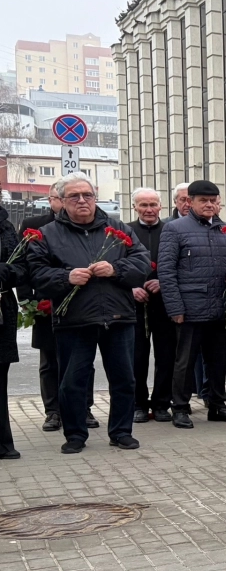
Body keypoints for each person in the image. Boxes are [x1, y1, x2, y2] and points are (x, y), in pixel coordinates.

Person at [28, 173, 151, 453]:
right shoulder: (48, 234)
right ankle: (74, 435)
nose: (82, 201)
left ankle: (121, 432)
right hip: (74, 319)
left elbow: (142, 264)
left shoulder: (118, 229)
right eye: (74, 196)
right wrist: (65, 277)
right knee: (72, 381)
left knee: (124, 378)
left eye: (87, 195)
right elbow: (35, 273)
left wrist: (115, 269)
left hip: (118, 317)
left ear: (95, 198)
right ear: (61, 201)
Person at [158, 180, 226, 428]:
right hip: (190, 308)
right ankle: (181, 408)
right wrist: (175, 308)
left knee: (219, 360)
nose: (209, 205)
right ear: (190, 202)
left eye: (213, 200)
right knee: (185, 362)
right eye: (203, 200)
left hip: (221, 309)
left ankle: (217, 404)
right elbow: (166, 271)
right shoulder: (175, 229)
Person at [17, 184, 98, 433]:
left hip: (80, 303)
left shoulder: (86, 226)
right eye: (62, 198)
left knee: (83, 360)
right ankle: (53, 411)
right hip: (45, 303)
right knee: (50, 361)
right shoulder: (36, 224)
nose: (70, 202)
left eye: (83, 196)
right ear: (53, 200)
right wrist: (28, 300)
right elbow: (23, 266)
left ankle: (84, 408)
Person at [129, 188, 176, 423]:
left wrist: (164, 282)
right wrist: (131, 287)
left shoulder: (171, 230)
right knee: (137, 356)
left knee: (166, 355)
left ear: (161, 206)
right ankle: (138, 403)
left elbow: (180, 265)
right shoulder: (125, 231)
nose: (149, 209)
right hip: (134, 303)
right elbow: (116, 263)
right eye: (143, 205)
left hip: (165, 302)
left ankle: (161, 404)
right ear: (135, 207)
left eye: (153, 204)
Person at [0, 204, 25, 459]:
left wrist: (6, 271)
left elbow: (22, 268)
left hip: (1, 309)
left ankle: (3, 442)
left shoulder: (6, 227)